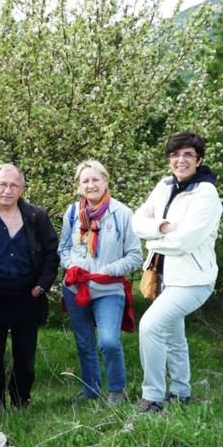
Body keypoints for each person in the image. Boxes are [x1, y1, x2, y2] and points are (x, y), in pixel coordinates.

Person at [132, 132, 222, 413]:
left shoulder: (206, 193)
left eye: (188, 155)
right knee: (173, 335)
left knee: (150, 326)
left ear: (199, 160)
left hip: (193, 281)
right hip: (163, 276)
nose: (180, 160)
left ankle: (152, 397)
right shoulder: (164, 185)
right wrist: (162, 227)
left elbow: (185, 241)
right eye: (175, 155)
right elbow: (137, 221)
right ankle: (181, 392)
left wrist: (152, 239)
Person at [0, 164, 59, 411]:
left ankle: (20, 401)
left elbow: (52, 254)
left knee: (25, 357)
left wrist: (42, 285)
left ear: (22, 189)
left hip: (28, 297)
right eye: (2, 184)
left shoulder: (37, 218)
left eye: (13, 185)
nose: (7, 190)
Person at [58, 160, 143, 405]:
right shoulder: (73, 213)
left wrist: (110, 270)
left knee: (109, 342)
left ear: (105, 181)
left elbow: (135, 255)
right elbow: (63, 248)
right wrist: (70, 265)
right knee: (84, 343)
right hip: (76, 287)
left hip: (109, 288)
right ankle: (91, 389)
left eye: (95, 179)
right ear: (79, 185)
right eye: (85, 181)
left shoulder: (123, 213)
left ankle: (117, 390)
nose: (91, 185)